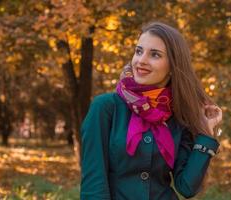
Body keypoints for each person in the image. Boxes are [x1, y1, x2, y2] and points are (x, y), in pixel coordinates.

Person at [80, 21, 223, 200]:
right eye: (139, 51)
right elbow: (93, 186)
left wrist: (206, 134)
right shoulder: (106, 107)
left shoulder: (178, 114)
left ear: (173, 67)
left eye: (154, 55)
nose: (141, 61)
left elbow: (186, 187)